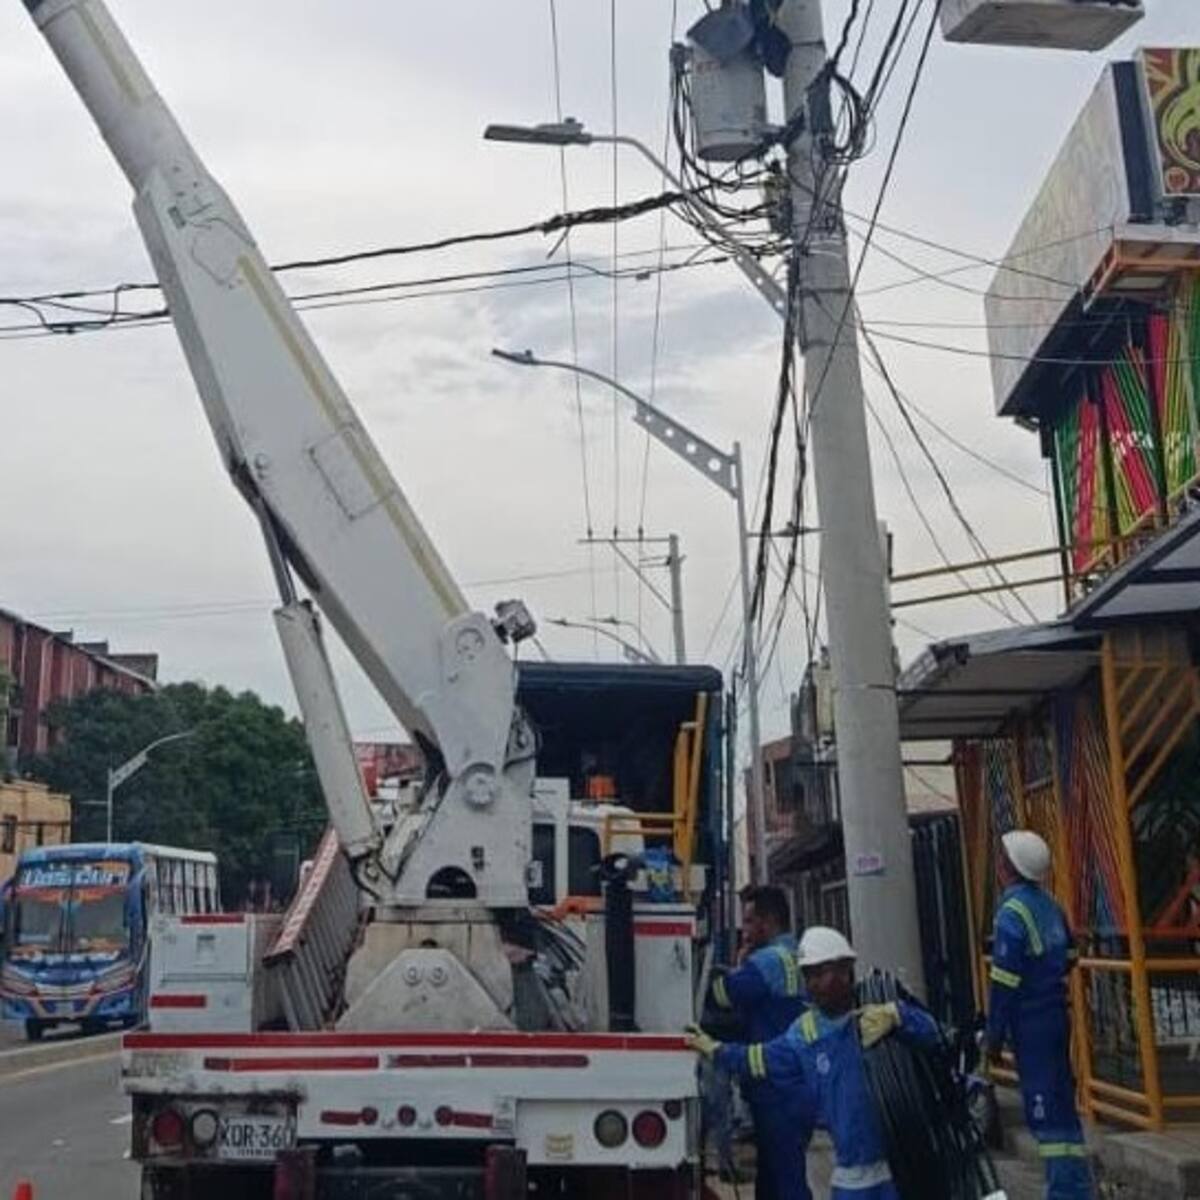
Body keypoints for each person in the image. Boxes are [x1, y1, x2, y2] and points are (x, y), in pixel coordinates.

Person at [689, 926, 939, 1200]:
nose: (814, 984)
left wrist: (899, 1016)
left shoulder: (879, 1012)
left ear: (846, 969)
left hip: (900, 1166)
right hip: (852, 1176)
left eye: (821, 973)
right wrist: (716, 1050)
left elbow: (936, 1039)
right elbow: (760, 1059)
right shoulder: (805, 1034)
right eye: (809, 976)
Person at [985, 829, 1093, 1199]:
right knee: (1063, 1105)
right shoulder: (1051, 906)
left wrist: (993, 1034)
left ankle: (1065, 1192)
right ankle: (1076, 1186)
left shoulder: (1010, 914)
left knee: (1044, 1112)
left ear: (1007, 866)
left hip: (1029, 1022)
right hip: (1056, 1016)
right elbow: (1071, 958)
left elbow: (1004, 982)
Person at [710, 885, 813, 1200]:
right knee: (775, 1174)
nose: (745, 929)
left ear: (768, 922)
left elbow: (721, 995)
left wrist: (737, 964)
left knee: (785, 1179)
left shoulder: (767, 961)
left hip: (775, 1085)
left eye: (750, 920)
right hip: (795, 1082)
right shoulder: (796, 953)